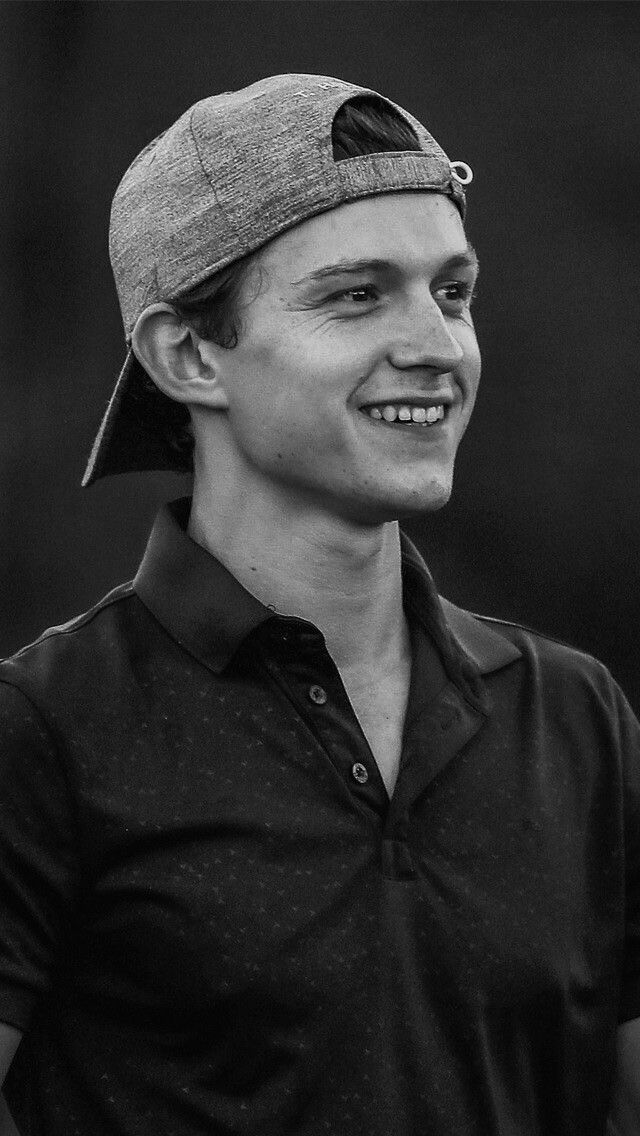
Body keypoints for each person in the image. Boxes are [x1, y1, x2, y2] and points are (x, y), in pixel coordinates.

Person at [0, 73, 638, 1136]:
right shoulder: (43, 733)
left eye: (451, 291)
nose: (436, 346)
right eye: (355, 295)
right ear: (189, 354)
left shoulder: (574, 718)